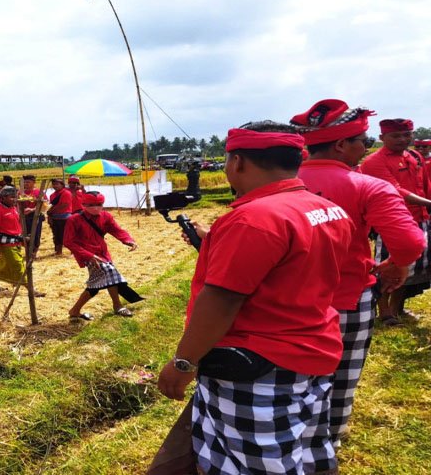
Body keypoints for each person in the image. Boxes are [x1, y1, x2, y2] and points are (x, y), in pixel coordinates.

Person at [157, 124, 353, 475]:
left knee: (257, 462)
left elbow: (220, 302)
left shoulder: (253, 219)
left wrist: (183, 363)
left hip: (258, 367)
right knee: (303, 447)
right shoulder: (325, 209)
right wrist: (217, 240)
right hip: (311, 349)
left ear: (237, 162)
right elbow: (289, 269)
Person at [292, 100, 426, 447]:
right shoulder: (367, 185)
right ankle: (328, 440)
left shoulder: (284, 181)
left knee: (292, 375)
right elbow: (410, 242)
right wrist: (394, 266)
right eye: (362, 141)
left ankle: (292, 438)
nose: (366, 148)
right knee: (342, 374)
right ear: (340, 145)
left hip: (287, 301)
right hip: (348, 297)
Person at [360, 118, 431, 325]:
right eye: (396, 135)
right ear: (382, 138)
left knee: (410, 269)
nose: (403, 139)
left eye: (407, 134)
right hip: (392, 222)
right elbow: (395, 189)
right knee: (389, 267)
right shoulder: (374, 162)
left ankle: (398, 309)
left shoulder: (414, 156)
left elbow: (424, 184)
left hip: (420, 219)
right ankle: (384, 312)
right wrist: (429, 202)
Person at [62, 191, 140, 322]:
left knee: (107, 279)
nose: (96, 208)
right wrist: (88, 255)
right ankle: (117, 306)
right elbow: (68, 241)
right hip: (87, 255)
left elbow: (116, 229)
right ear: (84, 204)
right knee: (107, 276)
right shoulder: (74, 219)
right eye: (91, 205)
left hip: (103, 253)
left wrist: (128, 240)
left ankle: (76, 310)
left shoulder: (105, 216)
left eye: (99, 204)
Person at [0, 186, 30, 292]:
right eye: (12, 197)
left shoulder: (13, 208)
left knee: (4, 264)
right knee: (17, 264)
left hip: (16, 241)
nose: (15, 199)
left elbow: (17, 224)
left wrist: (22, 239)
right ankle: (30, 289)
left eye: (15, 197)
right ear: (3, 198)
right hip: (6, 243)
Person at [20, 175, 47, 256]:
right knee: (25, 234)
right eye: (25, 182)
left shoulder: (39, 192)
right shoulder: (20, 192)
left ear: (34, 183)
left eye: (28, 182)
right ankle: (28, 252)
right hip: (24, 217)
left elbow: (45, 205)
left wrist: (32, 209)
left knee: (35, 235)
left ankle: (34, 253)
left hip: (35, 216)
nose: (26, 184)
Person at [47, 178, 72, 255]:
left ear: (62, 185)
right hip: (55, 217)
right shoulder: (52, 195)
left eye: (57, 184)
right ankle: (58, 251)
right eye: (54, 184)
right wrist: (50, 216)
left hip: (64, 217)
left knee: (67, 235)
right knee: (56, 235)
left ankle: (73, 251)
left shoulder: (66, 193)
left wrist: (51, 210)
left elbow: (64, 205)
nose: (55, 186)